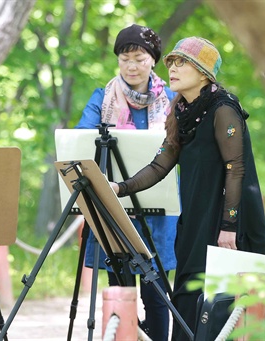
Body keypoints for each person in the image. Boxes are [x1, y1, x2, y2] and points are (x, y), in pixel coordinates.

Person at [109, 37, 265, 340]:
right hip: (194, 222)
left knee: (226, 308)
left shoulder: (224, 109)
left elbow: (236, 170)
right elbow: (159, 166)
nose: (172, 67)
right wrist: (119, 188)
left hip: (227, 225)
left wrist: (229, 226)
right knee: (188, 302)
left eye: (182, 62)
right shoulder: (181, 111)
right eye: (171, 62)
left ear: (203, 72)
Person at [76, 24, 178, 340]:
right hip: (114, 206)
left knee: (156, 291)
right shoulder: (102, 97)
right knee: (119, 288)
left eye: (138, 58)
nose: (131, 66)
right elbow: (81, 140)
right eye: (124, 59)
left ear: (153, 61)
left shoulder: (173, 99)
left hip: (158, 208)